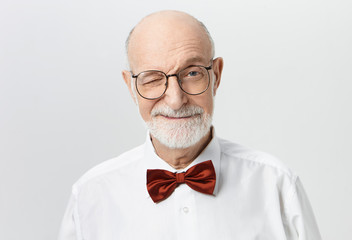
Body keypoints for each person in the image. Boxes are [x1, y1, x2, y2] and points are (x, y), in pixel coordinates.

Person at [58, 10, 322, 240]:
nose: (175, 100)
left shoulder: (277, 184)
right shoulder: (90, 195)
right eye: (152, 79)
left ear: (216, 75)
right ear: (131, 87)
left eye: (192, 73)